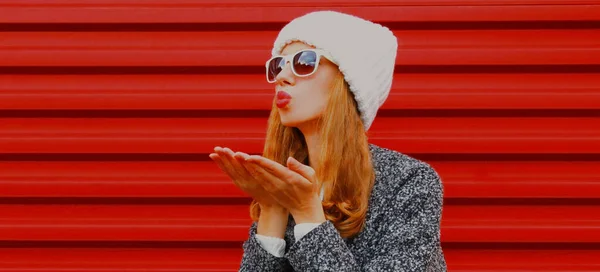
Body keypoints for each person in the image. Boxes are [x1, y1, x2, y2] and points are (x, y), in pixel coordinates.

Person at [209, 10, 446, 272]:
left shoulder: (409, 182)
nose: (282, 78)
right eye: (279, 64)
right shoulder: (286, 182)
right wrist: (272, 208)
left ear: (348, 83)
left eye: (304, 62)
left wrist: (307, 212)